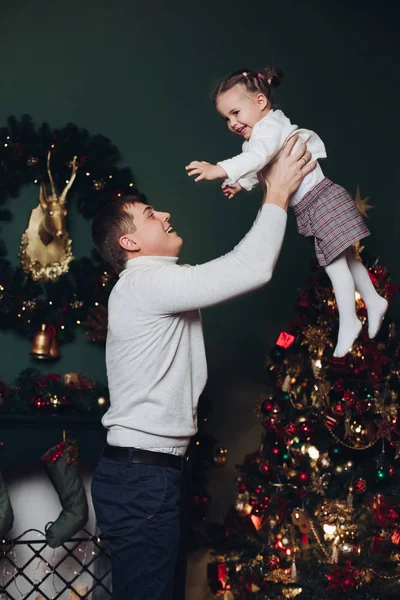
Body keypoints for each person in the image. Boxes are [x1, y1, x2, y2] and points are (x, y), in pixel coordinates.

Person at [90, 135, 315, 600]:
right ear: (130, 241)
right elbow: (249, 269)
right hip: (143, 479)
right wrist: (276, 193)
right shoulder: (145, 284)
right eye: (151, 216)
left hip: (149, 475)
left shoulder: (152, 284)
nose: (165, 214)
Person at [186, 66, 388, 358]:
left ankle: (350, 320)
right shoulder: (261, 135)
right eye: (226, 118)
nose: (232, 123)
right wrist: (240, 184)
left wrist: (219, 169)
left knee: (334, 263)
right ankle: (373, 298)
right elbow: (261, 164)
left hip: (320, 199)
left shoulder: (269, 128)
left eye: (235, 112)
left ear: (260, 102)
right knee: (344, 255)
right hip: (313, 203)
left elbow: (259, 156)